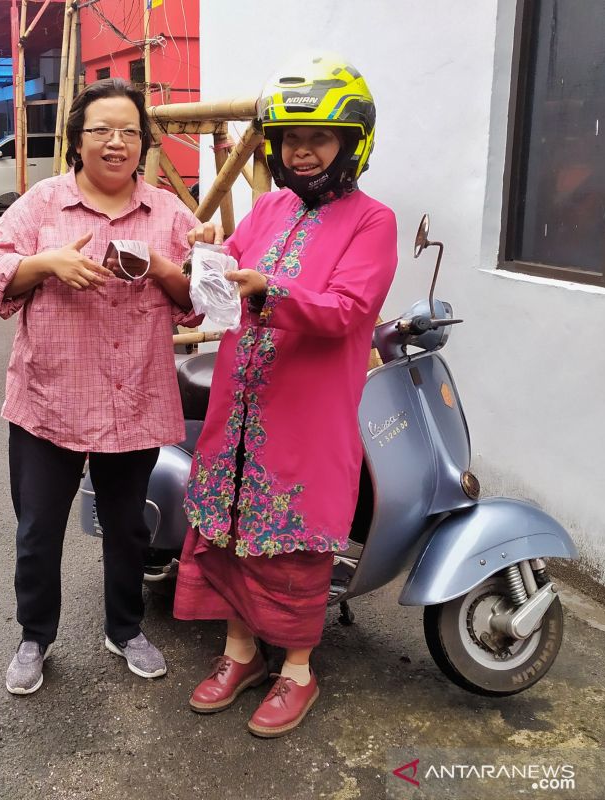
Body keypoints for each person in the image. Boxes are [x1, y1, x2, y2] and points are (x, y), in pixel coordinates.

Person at [172, 53, 398, 737]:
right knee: (234, 533)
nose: (302, 152)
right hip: (234, 411)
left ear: (352, 144)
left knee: (293, 549)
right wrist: (200, 264)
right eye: (291, 140)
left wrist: (268, 290)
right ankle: (240, 653)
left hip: (306, 420)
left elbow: (346, 311)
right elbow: (217, 294)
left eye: (319, 139)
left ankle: (297, 669)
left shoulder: (374, 221)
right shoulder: (267, 208)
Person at [0, 78, 203, 695]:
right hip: (48, 398)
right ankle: (34, 637)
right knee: (38, 528)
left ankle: (125, 628)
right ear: (77, 140)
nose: (116, 142)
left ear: (144, 144)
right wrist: (45, 264)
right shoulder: (40, 206)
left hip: (134, 399)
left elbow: (203, 300)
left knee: (129, 526)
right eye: (101, 130)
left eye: (129, 131)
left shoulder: (169, 214)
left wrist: (161, 267)